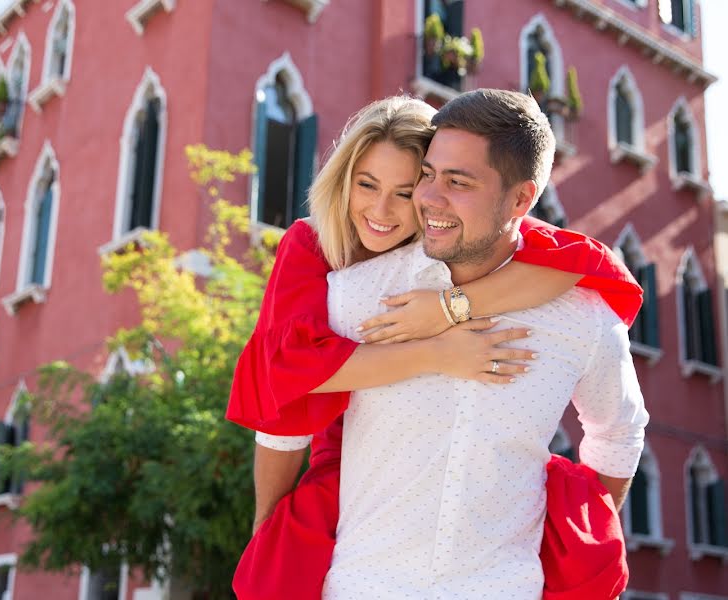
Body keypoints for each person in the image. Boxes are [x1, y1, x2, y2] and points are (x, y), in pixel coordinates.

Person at [227, 94, 644, 598]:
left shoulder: (579, 309)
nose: (424, 199)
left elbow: (619, 429)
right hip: (362, 578)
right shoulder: (337, 281)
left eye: (457, 182)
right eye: (429, 175)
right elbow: (282, 398)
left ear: (520, 200)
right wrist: (265, 533)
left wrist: (582, 536)